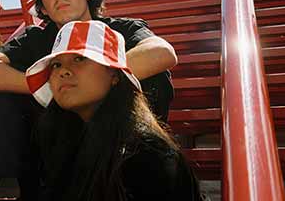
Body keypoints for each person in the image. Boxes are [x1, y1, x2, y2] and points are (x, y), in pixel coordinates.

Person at [0, 0, 177, 199]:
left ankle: (143, 166)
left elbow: (163, 52)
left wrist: (94, 79)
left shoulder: (121, 28)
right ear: (41, 3)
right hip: (56, 144)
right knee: (1, 89)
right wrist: (43, 84)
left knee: (156, 75)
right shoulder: (35, 39)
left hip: (118, 136)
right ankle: (24, 186)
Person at [27, 20, 202, 200]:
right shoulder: (56, 142)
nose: (63, 71)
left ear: (115, 75)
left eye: (79, 58)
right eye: (56, 65)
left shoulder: (148, 154)